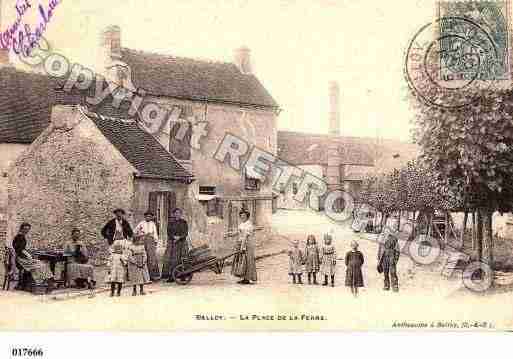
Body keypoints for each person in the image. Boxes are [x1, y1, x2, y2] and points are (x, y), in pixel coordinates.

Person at [12, 223, 54, 288]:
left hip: (23, 258)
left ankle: (42, 282)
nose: (26, 231)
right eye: (25, 229)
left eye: (28, 229)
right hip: (21, 260)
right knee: (41, 265)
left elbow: (22, 249)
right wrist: (29, 256)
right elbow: (19, 250)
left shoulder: (21, 236)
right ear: (21, 229)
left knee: (40, 264)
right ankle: (44, 282)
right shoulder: (19, 237)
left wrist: (29, 252)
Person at [231, 209, 257, 285]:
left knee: (247, 260)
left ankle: (247, 278)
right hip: (241, 243)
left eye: (244, 216)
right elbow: (238, 232)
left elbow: (245, 236)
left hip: (247, 244)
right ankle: (243, 277)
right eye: (241, 216)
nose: (242, 217)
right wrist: (230, 234)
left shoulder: (249, 225)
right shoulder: (242, 224)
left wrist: (242, 247)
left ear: (247, 217)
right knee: (241, 261)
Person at [163, 208, 189, 282]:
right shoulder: (171, 223)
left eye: (179, 213)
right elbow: (169, 232)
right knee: (172, 260)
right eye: (176, 213)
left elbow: (186, 232)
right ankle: (172, 276)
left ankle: (183, 275)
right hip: (173, 243)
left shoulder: (184, 222)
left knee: (183, 259)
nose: (177, 214)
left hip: (182, 243)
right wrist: (174, 237)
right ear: (173, 214)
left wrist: (180, 237)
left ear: (181, 214)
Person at [134, 211, 160, 281]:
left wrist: (156, 241)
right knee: (143, 257)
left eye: (149, 216)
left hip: (151, 242)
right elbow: (135, 231)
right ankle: (143, 276)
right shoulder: (141, 223)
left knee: (152, 257)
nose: (148, 217)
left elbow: (155, 234)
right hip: (143, 241)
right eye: (146, 216)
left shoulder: (153, 224)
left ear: (151, 217)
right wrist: (141, 234)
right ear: (144, 217)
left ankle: (153, 276)